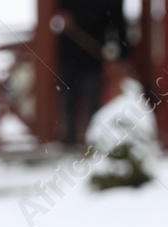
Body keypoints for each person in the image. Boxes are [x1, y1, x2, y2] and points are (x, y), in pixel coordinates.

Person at [53, 0, 129, 145]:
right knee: (68, 100)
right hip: (68, 55)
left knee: (93, 100)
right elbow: (55, 12)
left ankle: (93, 143)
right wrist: (60, 18)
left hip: (93, 58)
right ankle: (69, 142)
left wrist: (123, 56)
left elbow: (119, 24)